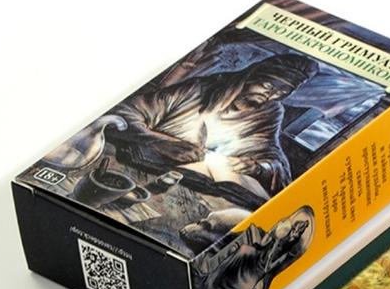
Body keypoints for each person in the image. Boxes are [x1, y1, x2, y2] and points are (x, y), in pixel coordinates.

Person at [112, 54, 317, 203]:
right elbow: (124, 112)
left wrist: (257, 167)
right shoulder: (200, 89)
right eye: (268, 86)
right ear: (253, 76)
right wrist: (159, 142)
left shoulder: (270, 111)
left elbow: (273, 155)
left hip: (199, 190)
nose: (270, 96)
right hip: (139, 170)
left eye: (282, 93)